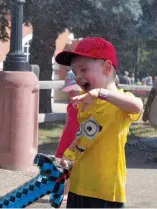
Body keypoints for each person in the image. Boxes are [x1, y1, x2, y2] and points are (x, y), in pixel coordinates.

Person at [55, 37, 143, 208]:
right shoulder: (85, 104)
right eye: (75, 72)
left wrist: (102, 93)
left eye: (84, 69)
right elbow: (84, 134)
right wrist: (69, 153)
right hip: (78, 186)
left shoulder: (119, 105)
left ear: (107, 67)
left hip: (105, 191)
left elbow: (137, 106)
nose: (79, 77)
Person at [54, 70, 80, 203]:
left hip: (77, 141)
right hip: (68, 138)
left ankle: (68, 192)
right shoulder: (70, 106)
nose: (70, 93)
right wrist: (62, 139)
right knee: (64, 166)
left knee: (72, 167)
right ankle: (65, 191)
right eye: (69, 91)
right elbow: (67, 122)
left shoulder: (84, 106)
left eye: (73, 91)